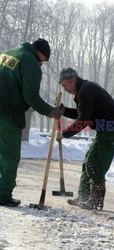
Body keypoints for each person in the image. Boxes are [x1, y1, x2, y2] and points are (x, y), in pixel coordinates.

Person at [0, 38, 63, 207]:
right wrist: (51, 111)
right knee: (10, 157)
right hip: (8, 114)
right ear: (40, 54)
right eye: (43, 60)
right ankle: (3, 194)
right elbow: (31, 96)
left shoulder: (7, 53)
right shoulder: (31, 63)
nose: (42, 64)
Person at [56, 67, 114, 210]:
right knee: (88, 160)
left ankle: (96, 201)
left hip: (111, 127)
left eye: (66, 85)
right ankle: (83, 196)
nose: (66, 89)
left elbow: (83, 121)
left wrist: (64, 134)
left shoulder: (85, 91)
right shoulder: (84, 90)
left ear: (73, 80)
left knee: (94, 162)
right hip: (106, 127)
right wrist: (64, 110)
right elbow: (84, 113)